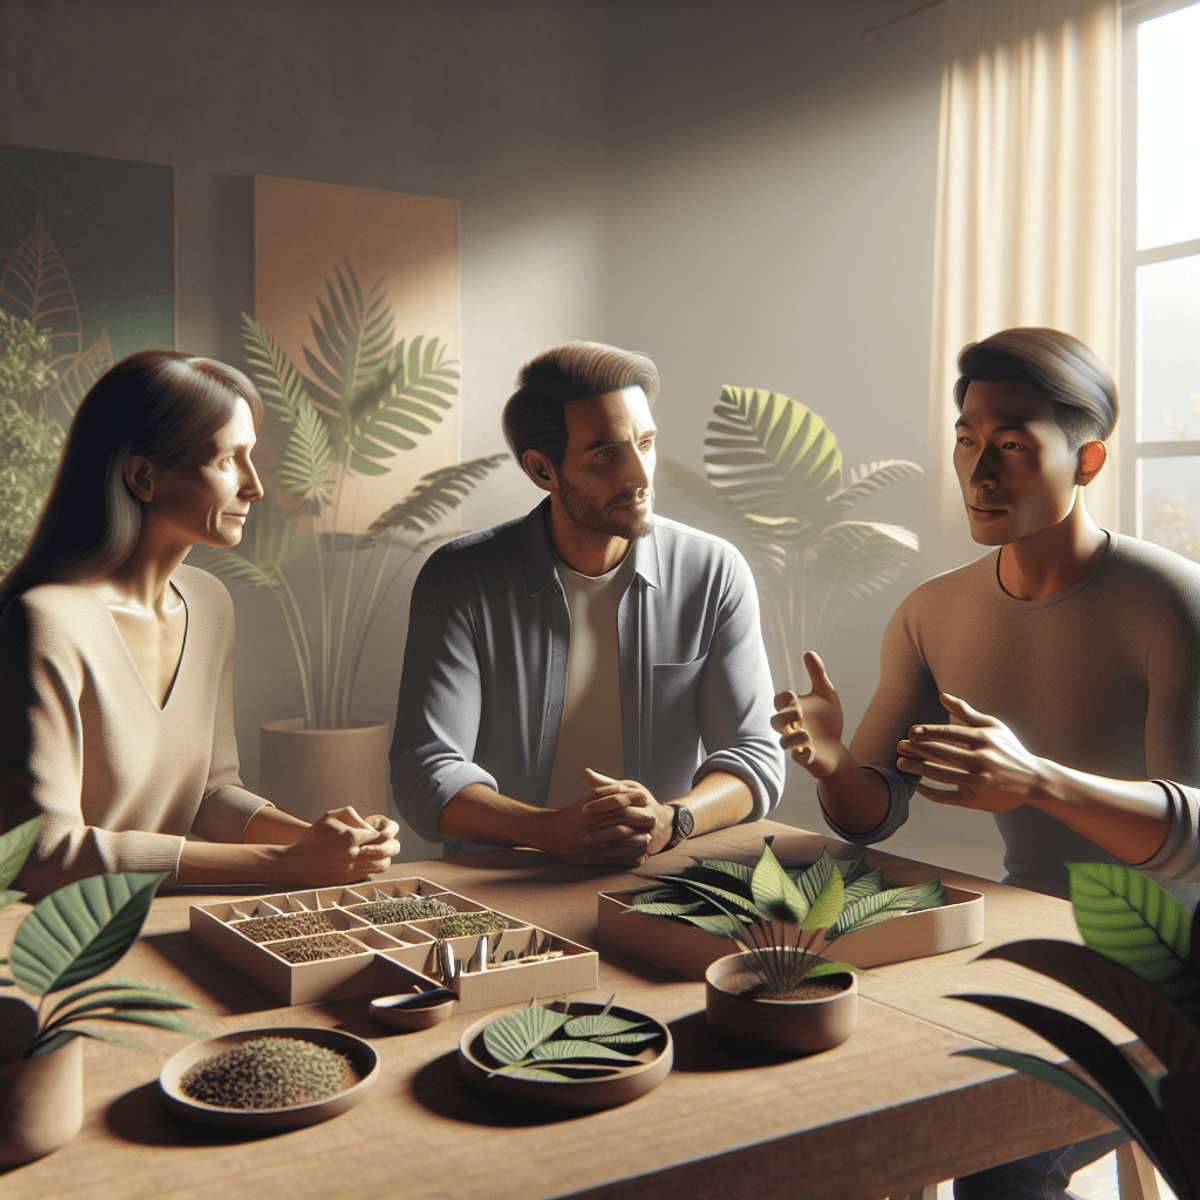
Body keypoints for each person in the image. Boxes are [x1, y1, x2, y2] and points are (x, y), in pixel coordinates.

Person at [772, 327, 1200, 1199]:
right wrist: (830, 768)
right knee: (839, 1087)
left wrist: (1035, 779)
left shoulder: (1171, 604)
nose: (979, 472)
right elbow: (875, 810)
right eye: (967, 439)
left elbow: (1192, 834)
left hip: (1172, 963)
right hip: (1027, 938)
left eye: (1011, 444)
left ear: (1088, 461)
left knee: (992, 1143)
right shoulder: (932, 614)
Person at [0, 350, 401, 898]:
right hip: (62, 946)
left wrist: (325, 843)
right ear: (143, 476)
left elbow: (211, 795)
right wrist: (281, 863)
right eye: (227, 461)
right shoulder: (47, 621)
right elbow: (46, 854)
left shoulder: (209, 603)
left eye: (251, 457)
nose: (255, 486)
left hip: (173, 918)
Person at [390, 341, 784, 862]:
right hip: (501, 883)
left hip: (655, 882)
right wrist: (550, 831)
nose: (641, 477)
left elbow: (755, 755)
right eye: (606, 455)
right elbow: (426, 774)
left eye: (645, 443)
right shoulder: (461, 580)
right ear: (542, 470)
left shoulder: (713, 573)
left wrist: (673, 819)